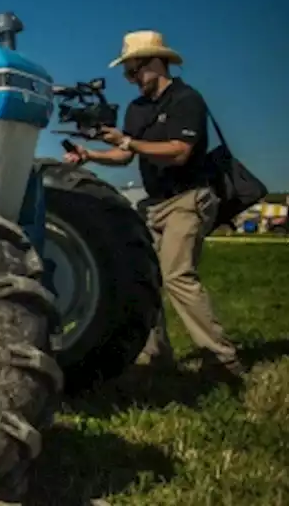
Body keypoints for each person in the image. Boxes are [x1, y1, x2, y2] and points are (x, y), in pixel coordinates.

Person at [63, 30, 244, 379]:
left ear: (157, 62)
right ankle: (155, 354)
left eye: (134, 71)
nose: (131, 80)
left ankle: (223, 360)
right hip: (154, 203)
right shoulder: (137, 108)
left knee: (177, 276)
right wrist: (90, 155)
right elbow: (123, 155)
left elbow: (180, 151)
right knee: (143, 275)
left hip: (189, 198)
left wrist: (129, 141)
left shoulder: (186, 99)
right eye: (127, 73)